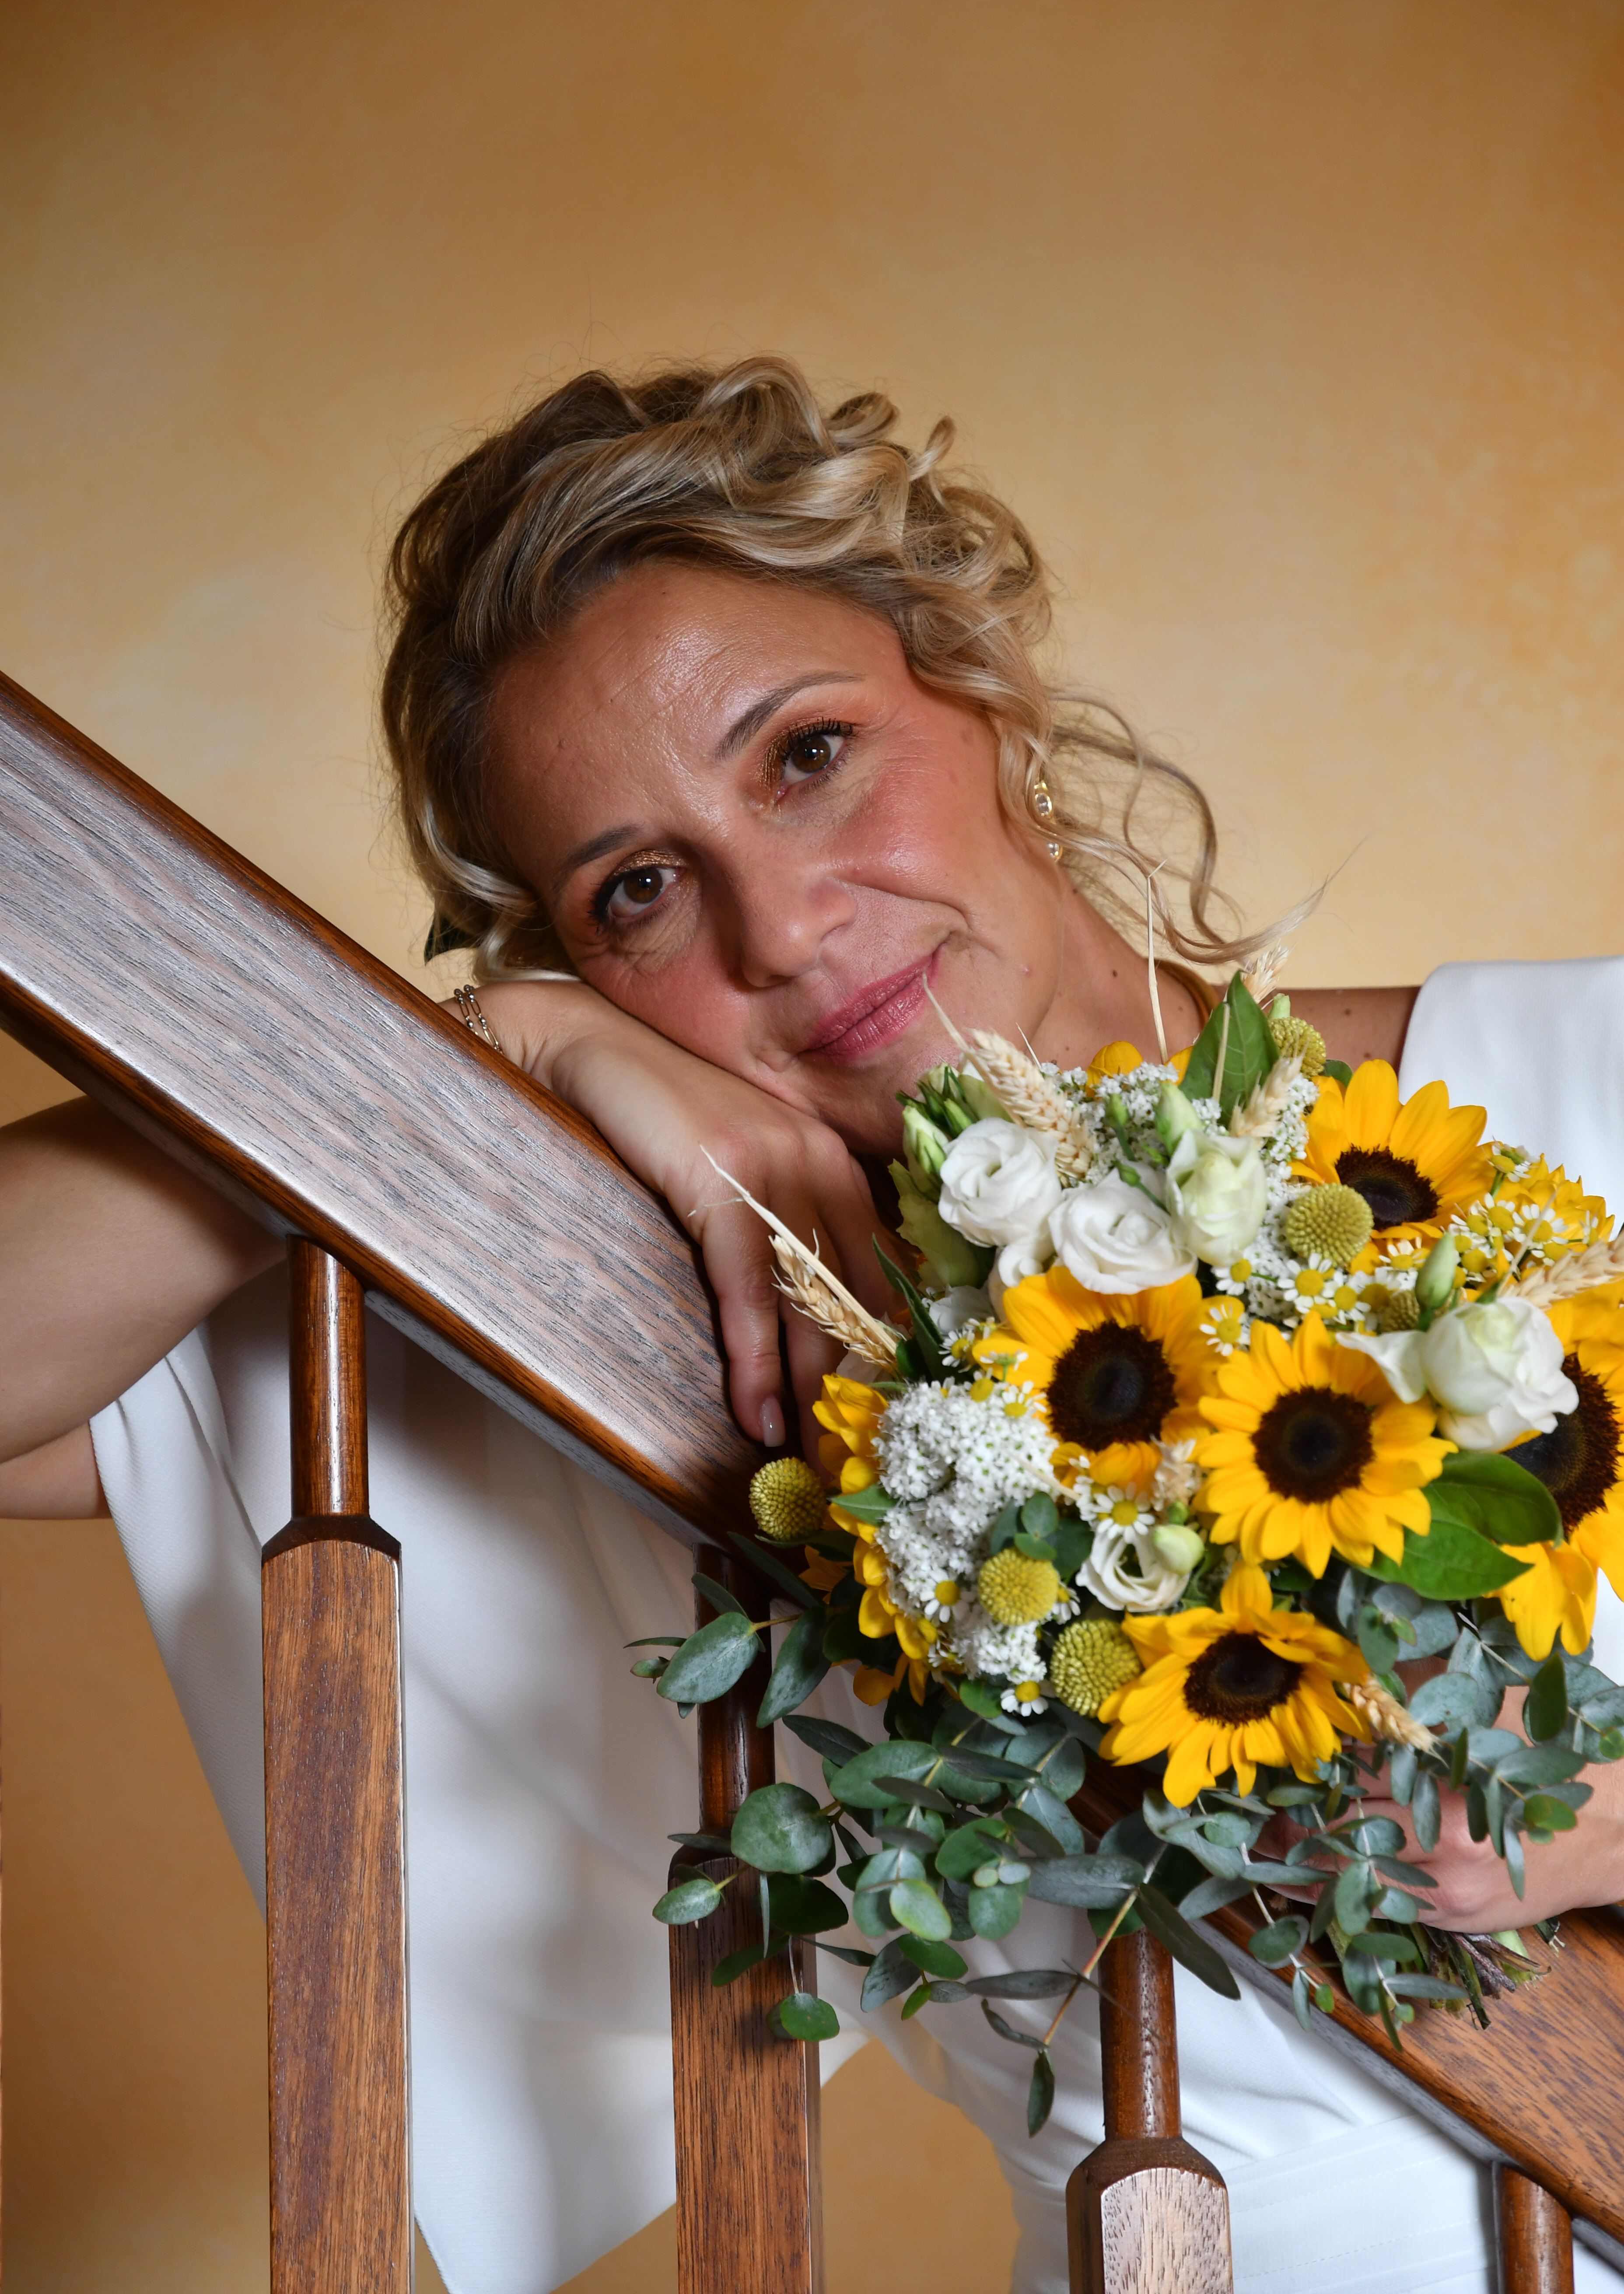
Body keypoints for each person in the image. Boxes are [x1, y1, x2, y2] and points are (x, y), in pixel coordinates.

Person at [2, 357, 1621, 2294]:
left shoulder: (1587, 1077)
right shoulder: (683, 1369)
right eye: (639, 892)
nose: (778, 928)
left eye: (806, 755)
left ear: (978, 680)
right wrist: (465, 1060)